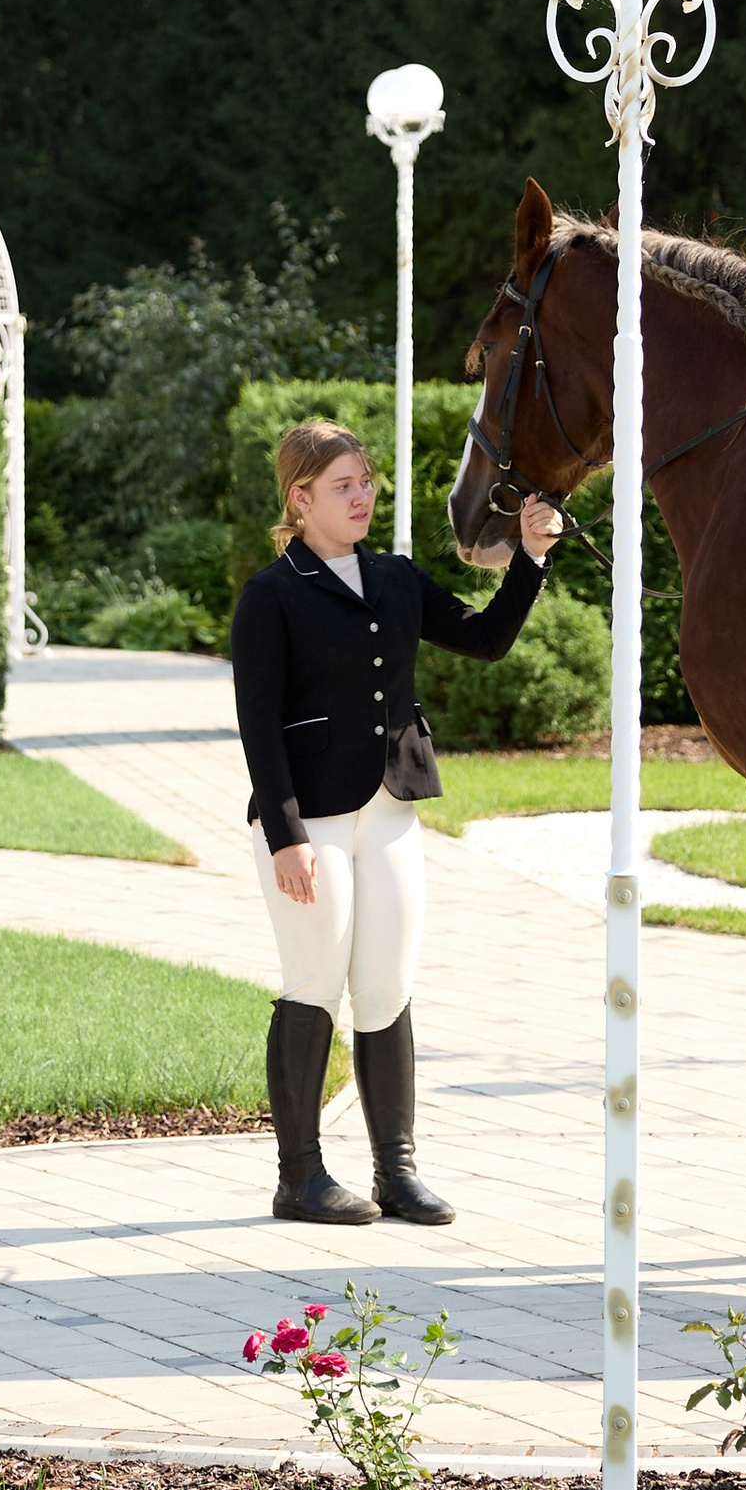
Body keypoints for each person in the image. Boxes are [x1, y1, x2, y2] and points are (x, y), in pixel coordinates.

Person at [232, 417, 564, 1224]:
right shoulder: (270, 595)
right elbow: (257, 724)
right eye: (343, 486)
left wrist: (532, 558)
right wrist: (286, 838)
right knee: (315, 983)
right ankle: (299, 1177)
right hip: (308, 818)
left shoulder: (395, 576)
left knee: (387, 986)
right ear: (300, 498)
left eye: (366, 482)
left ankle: (396, 1171)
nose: (361, 497)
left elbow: (486, 641)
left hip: (389, 807)